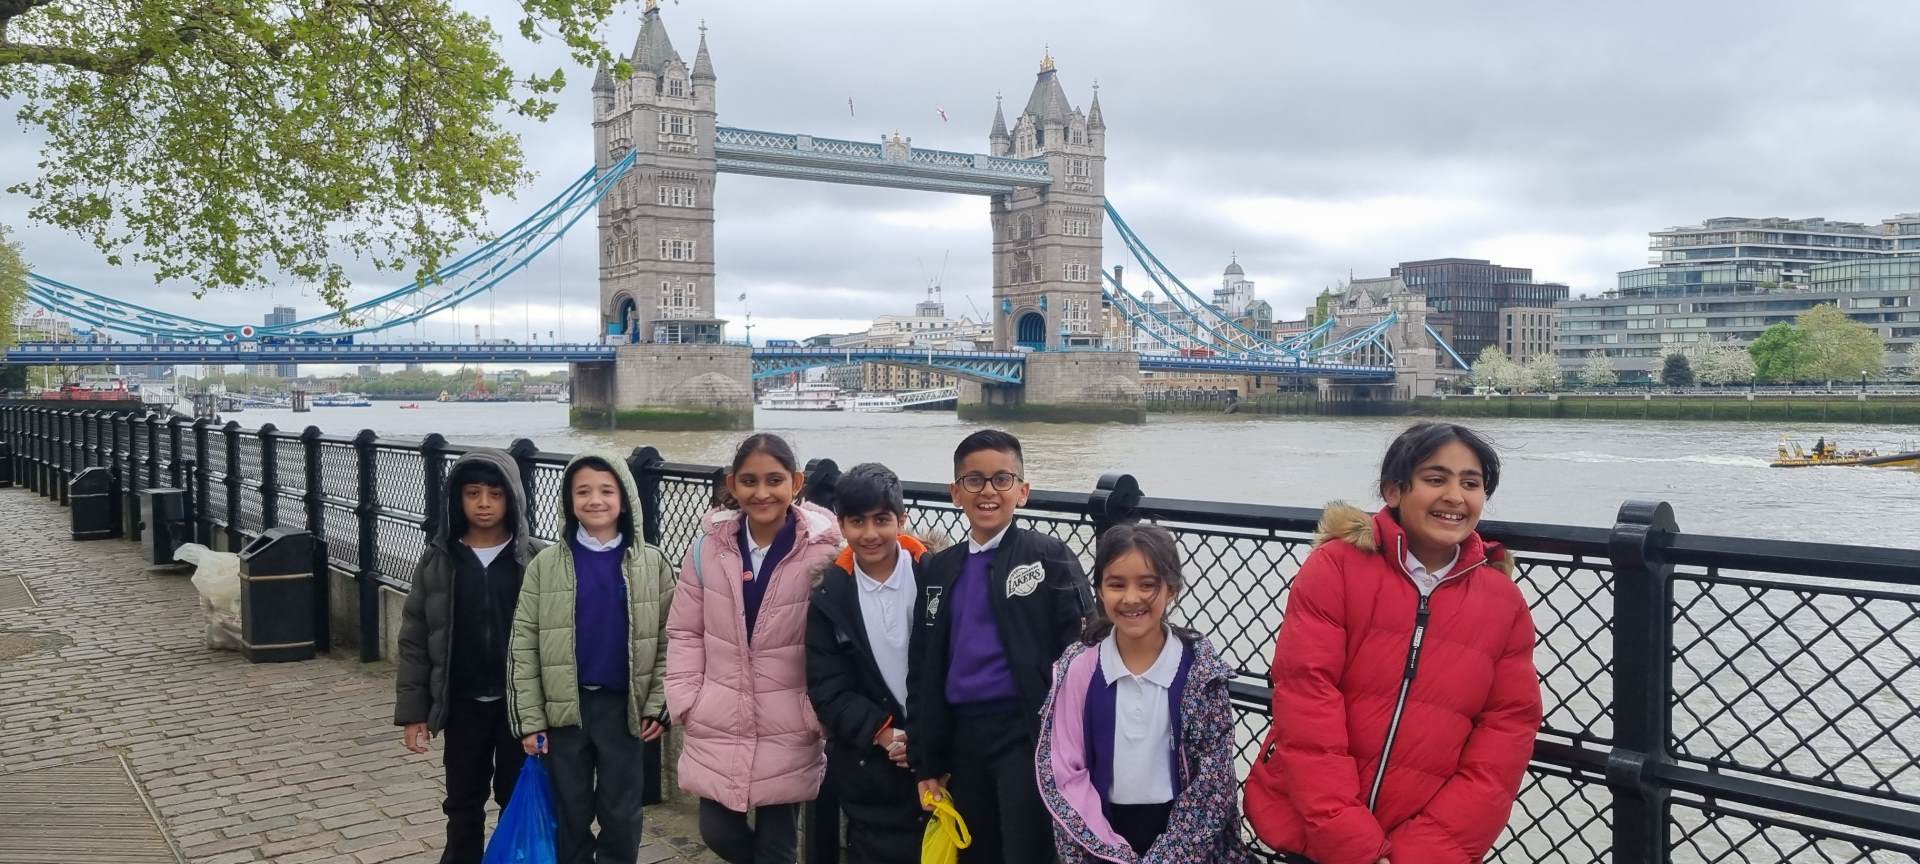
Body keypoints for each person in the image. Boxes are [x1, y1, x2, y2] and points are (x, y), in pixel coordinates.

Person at [1244, 422, 1543, 864]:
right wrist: (1351, 840)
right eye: (1436, 479)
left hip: (1422, 845)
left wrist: (1426, 851)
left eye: (1471, 484)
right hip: (1311, 829)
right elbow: (1307, 697)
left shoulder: (1503, 601)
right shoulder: (1336, 566)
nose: (1455, 497)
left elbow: (1506, 734)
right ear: (1393, 491)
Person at [908, 429, 1092, 864]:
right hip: (963, 737)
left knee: (1027, 849)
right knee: (976, 850)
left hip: (1027, 735)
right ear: (956, 492)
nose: (988, 491)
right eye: (974, 480)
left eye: (1002, 479)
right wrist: (926, 761)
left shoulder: (1049, 558)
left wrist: (1077, 746)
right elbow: (923, 667)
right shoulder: (939, 568)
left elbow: (1083, 655)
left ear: (1022, 491)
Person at [667, 433, 839, 864]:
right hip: (719, 712)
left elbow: (840, 638)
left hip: (789, 718)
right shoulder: (707, 548)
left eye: (774, 480)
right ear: (732, 484)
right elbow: (685, 630)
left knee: (778, 844)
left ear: (796, 483)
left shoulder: (826, 552)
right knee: (717, 831)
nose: (762, 493)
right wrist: (687, 698)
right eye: (749, 481)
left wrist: (815, 710)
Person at [1036, 522, 1251, 863]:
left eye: (1147, 585)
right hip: (1101, 836)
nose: (1131, 598)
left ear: (1171, 589)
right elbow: (1064, 773)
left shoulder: (1200, 674)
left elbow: (1213, 785)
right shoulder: (1078, 669)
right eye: (1116, 584)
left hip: (1186, 844)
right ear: (1099, 590)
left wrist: (1166, 857)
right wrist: (1109, 851)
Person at [508, 453, 676, 864]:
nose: (595, 500)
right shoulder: (545, 565)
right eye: (583, 491)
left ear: (626, 499)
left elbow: (673, 640)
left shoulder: (652, 563)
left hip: (625, 710)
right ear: (568, 501)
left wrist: (659, 704)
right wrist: (530, 721)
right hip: (565, 710)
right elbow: (523, 645)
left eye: (606, 491)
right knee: (570, 809)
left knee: (622, 812)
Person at [395, 450, 540, 864]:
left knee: (516, 797)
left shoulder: (534, 558)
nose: (484, 503)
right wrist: (414, 713)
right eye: (473, 493)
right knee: (462, 801)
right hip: (462, 705)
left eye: (495, 494)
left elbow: (555, 639)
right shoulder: (439, 559)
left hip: (519, 710)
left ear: (512, 498)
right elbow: (415, 638)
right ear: (457, 499)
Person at [805, 463, 936, 863]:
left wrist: (930, 736)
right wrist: (884, 733)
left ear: (902, 520)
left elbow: (960, 665)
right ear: (841, 525)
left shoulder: (937, 577)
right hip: (872, 765)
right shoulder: (829, 596)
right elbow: (827, 687)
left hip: (941, 754)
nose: (870, 533)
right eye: (857, 522)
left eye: (881, 520)